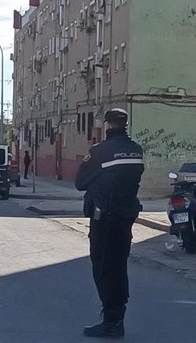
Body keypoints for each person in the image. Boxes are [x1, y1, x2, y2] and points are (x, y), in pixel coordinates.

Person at [75, 108, 144, 339]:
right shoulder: (136, 151)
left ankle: (111, 322)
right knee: (119, 266)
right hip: (126, 218)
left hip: (104, 218)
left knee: (104, 268)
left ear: (107, 125)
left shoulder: (99, 151)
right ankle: (117, 318)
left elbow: (80, 182)